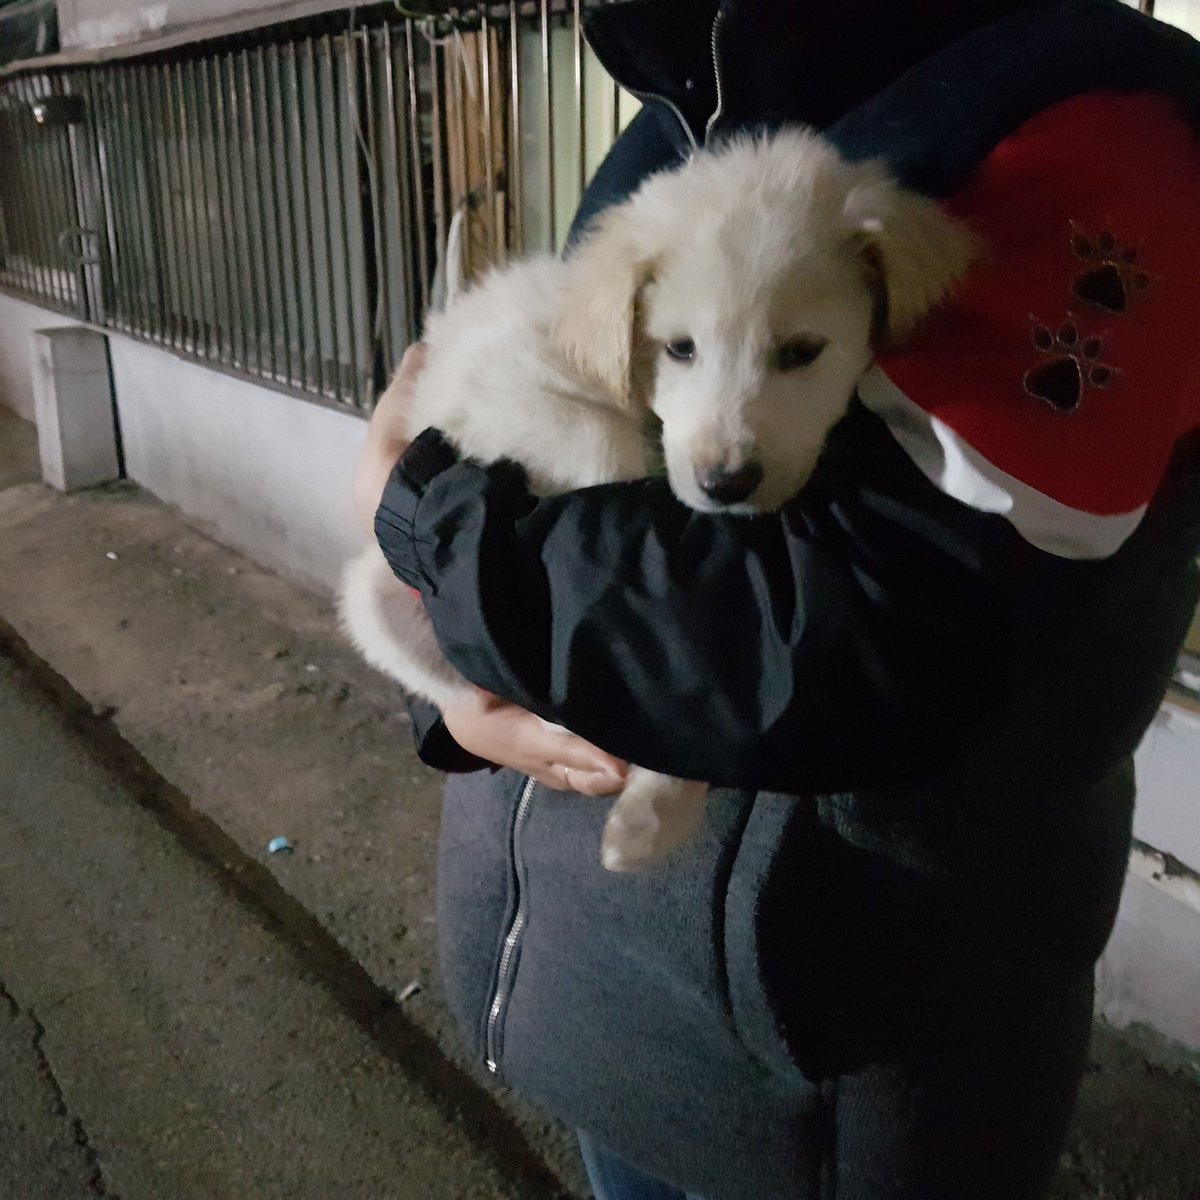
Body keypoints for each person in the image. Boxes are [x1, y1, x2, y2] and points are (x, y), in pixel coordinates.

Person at [355, 2, 1200, 1197]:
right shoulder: (686, 117)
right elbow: (538, 471)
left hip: (831, 1066)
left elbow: (858, 635)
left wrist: (417, 512)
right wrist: (458, 694)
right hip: (607, 1008)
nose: (720, 435)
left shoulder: (1084, 138)